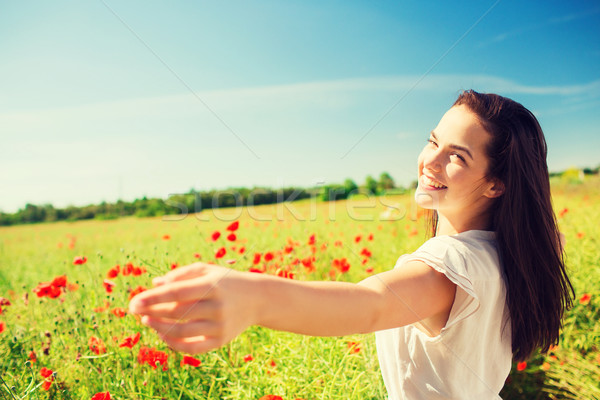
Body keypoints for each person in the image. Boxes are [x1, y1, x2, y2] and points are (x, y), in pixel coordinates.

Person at [129, 90, 574, 399]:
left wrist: (252, 296)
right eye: (433, 142)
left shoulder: (451, 263)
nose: (429, 162)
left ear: (495, 184)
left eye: (457, 156)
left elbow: (373, 304)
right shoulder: (503, 251)